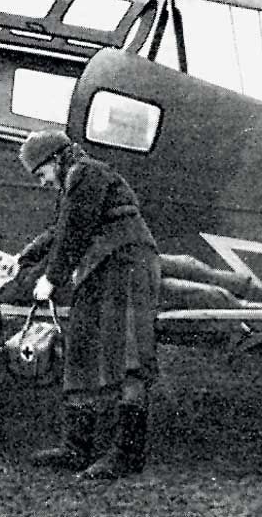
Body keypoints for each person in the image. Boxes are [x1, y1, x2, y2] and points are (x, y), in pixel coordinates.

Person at [14, 129, 160, 480]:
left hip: (127, 265)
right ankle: (76, 447)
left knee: (128, 358)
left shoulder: (87, 173)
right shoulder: (77, 179)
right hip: (101, 269)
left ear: (56, 159)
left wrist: (51, 278)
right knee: (79, 349)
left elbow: (74, 231)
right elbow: (62, 229)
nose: (42, 182)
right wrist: (24, 256)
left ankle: (126, 455)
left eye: (41, 173)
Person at [0, 247, 262, 312]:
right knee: (208, 293)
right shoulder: (17, 291)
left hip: (123, 264)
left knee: (192, 266)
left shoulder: (22, 269)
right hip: (121, 289)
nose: (5, 266)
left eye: (2, 260)